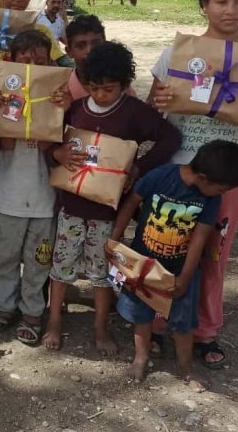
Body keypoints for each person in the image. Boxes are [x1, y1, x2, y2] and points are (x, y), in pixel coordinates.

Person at [147, 0, 238, 369]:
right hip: (180, 172)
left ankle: (205, 330)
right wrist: (159, 102)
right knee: (165, 246)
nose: (231, 10)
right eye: (221, 1)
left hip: (228, 180)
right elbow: (153, 113)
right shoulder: (176, 54)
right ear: (204, 5)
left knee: (213, 255)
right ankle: (156, 324)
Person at [44, 41, 181, 355]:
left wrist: (139, 167)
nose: (100, 95)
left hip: (107, 211)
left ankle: (100, 327)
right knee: (61, 265)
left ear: (124, 84)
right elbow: (50, 138)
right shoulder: (75, 108)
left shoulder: (133, 112)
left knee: (101, 272)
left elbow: (170, 137)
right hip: (71, 206)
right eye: (93, 88)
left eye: (108, 89)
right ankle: (54, 320)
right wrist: (57, 153)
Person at [109, 140, 238, 383]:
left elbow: (199, 238)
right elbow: (131, 203)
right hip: (144, 266)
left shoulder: (210, 199)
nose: (223, 194)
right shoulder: (159, 176)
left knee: (183, 322)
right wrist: (114, 241)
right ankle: (140, 358)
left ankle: (185, 370)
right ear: (204, 178)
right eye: (222, 189)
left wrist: (185, 278)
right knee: (141, 316)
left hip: (181, 269)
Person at [0, 30, 69, 345]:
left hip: (45, 197)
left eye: (40, 61)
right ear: (11, 62)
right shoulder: (1, 95)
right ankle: (3, 307)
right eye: (24, 61)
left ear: (50, 64)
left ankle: (32, 312)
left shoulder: (60, 98)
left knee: (39, 258)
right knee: (4, 254)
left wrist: (61, 108)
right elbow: (1, 142)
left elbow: (58, 141)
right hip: (10, 194)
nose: (31, 68)